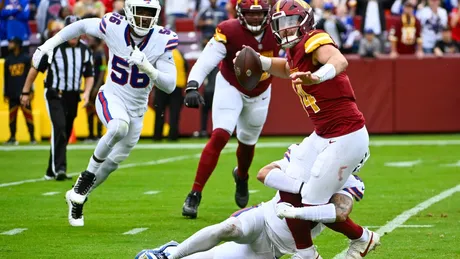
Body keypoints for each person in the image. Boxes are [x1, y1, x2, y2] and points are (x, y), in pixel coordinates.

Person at [237, 0, 380, 257]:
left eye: (291, 23)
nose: (286, 29)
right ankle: (335, 230)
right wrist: (261, 61)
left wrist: (318, 76)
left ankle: (359, 238)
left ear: (305, 21)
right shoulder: (294, 52)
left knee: (310, 203)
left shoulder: (315, 39)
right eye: (281, 24)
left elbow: (339, 60)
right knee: (281, 179)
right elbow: (286, 67)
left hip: (346, 135)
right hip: (323, 134)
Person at [30, 0, 178, 227]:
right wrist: (47, 46)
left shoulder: (162, 39)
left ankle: (78, 198)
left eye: (150, 13)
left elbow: (170, 85)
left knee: (111, 164)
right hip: (111, 96)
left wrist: (148, 68)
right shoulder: (114, 25)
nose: (145, 18)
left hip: (137, 110)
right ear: (129, 11)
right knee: (119, 126)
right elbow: (79, 27)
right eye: (141, 12)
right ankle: (83, 181)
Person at [136, 144, 368, 259]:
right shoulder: (304, 159)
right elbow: (264, 173)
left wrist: (299, 212)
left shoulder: (351, 183)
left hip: (277, 248)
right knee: (228, 228)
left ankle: (172, 248)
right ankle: (168, 256)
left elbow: (340, 213)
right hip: (264, 218)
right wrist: (303, 188)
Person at [181, 0, 280, 219]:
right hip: (231, 85)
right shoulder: (228, 30)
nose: (255, 18)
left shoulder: (278, 29)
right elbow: (206, 60)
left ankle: (242, 176)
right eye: (249, 14)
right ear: (239, 13)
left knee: (247, 143)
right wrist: (192, 84)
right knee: (219, 136)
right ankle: (195, 193)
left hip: (261, 92)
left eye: (259, 14)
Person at [21, 16, 94, 181]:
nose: (74, 35)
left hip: (73, 95)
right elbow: (35, 69)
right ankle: (60, 169)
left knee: (65, 133)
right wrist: (25, 91)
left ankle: (50, 170)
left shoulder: (85, 50)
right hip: (55, 93)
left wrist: (87, 93)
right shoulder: (53, 47)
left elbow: (89, 75)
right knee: (59, 128)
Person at [3, 37, 35, 145]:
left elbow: (31, 76)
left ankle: (32, 137)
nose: (9, 44)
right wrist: (5, 93)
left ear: (17, 44)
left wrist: (31, 91)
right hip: (12, 93)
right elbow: (5, 78)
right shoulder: (8, 60)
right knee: (11, 117)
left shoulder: (26, 59)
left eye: (11, 43)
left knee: (29, 116)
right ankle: (12, 137)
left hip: (24, 94)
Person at [153, 48, 187, 141]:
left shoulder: (159, 52)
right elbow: (186, 68)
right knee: (174, 113)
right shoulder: (179, 53)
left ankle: (157, 136)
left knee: (160, 112)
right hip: (177, 85)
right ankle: (173, 136)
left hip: (162, 85)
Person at [85, 34, 106, 142]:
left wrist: (97, 87)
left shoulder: (100, 53)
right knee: (89, 110)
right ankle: (90, 134)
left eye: (92, 39)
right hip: (90, 85)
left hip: (98, 85)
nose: (89, 41)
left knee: (98, 111)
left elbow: (103, 70)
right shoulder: (89, 52)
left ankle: (99, 134)